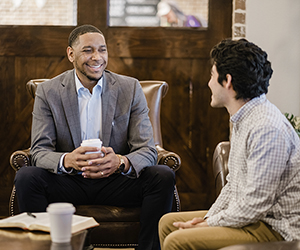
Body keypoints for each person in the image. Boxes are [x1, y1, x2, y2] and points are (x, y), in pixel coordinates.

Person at [14, 24, 175, 250]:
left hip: (116, 181)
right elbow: (39, 151)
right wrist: (66, 160)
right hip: (69, 181)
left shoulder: (130, 88)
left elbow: (147, 149)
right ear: (71, 54)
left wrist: (121, 161)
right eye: (88, 50)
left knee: (163, 176)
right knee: (27, 177)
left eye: (102, 50)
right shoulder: (49, 92)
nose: (97, 57)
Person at [159, 38, 300, 249]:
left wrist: (209, 224)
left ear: (228, 81)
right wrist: (209, 219)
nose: (208, 83)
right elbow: (234, 185)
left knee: (177, 240)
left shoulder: (266, 128)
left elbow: (255, 206)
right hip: (256, 218)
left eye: (212, 76)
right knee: (167, 223)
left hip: (276, 227)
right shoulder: (244, 117)